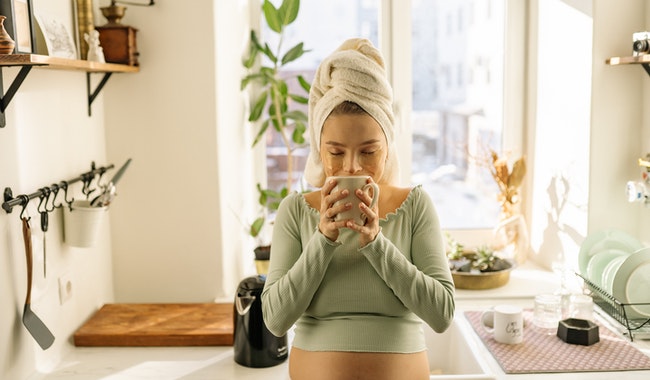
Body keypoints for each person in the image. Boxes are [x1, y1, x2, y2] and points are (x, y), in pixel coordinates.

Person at [261, 38, 455, 380]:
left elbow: (441, 314)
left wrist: (376, 243)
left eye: (368, 151)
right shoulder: (295, 211)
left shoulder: (415, 205)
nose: (352, 167)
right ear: (319, 150)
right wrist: (323, 238)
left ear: (387, 149)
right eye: (336, 152)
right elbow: (275, 319)